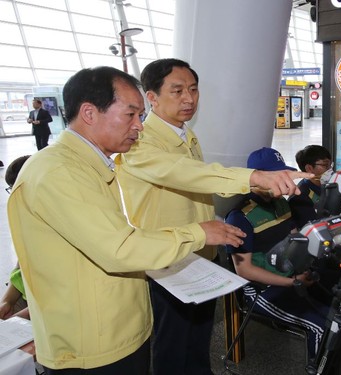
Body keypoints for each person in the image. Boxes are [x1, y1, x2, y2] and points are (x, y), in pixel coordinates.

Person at [7, 66, 247, 374]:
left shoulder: (87, 164)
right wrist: (198, 233)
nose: (140, 126)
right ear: (90, 113)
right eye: (130, 115)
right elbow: (119, 248)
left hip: (114, 328)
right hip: (94, 345)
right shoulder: (59, 172)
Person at [114, 58, 312, 375]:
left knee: (199, 340)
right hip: (167, 262)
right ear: (151, 97)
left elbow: (195, 188)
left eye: (193, 89)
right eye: (177, 91)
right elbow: (187, 174)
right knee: (173, 348)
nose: (189, 98)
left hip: (201, 255)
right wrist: (254, 177)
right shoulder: (139, 141)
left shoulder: (185, 135)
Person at [224, 147, 330, 366]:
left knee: (337, 306)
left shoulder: (280, 202)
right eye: (274, 176)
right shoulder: (240, 217)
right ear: (256, 177)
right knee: (321, 326)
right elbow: (244, 270)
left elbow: (293, 239)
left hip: (290, 275)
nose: (281, 181)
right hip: (260, 289)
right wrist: (292, 283)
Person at [0, 155, 31, 320]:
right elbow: (22, 265)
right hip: (28, 295)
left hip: (51, 304)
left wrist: (20, 318)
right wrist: (7, 300)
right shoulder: (24, 216)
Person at [289, 144, 334, 228]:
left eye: (330, 165)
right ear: (309, 168)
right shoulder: (300, 198)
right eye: (325, 165)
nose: (330, 170)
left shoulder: (327, 187)